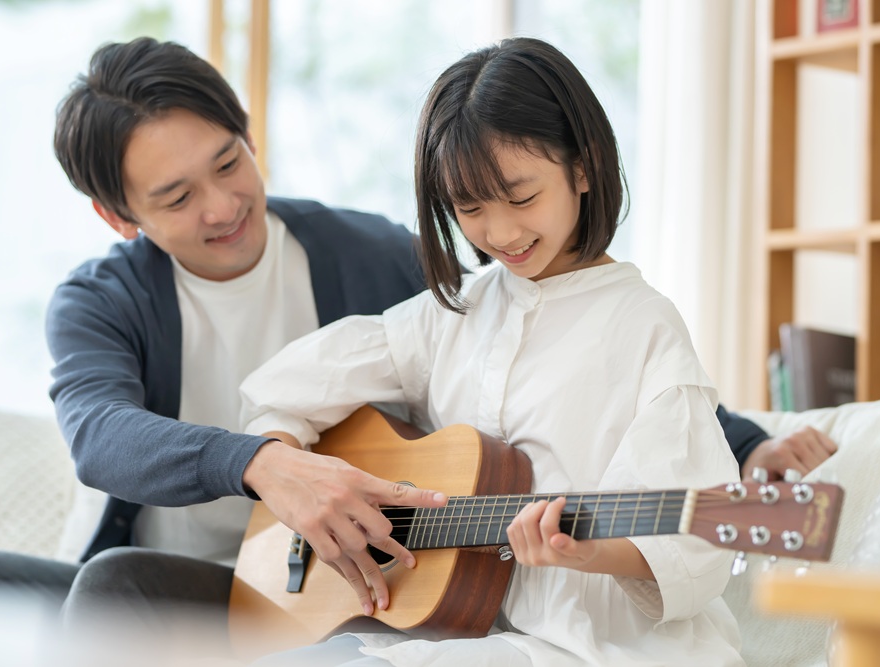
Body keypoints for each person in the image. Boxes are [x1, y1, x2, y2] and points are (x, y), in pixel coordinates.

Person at [239, 37, 745, 667]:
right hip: (460, 636)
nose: (500, 233)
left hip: (593, 646)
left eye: (523, 197)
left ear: (583, 167)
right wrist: (300, 482)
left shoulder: (643, 325)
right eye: (470, 208)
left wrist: (586, 551)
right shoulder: (451, 314)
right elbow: (283, 389)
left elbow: (698, 543)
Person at [0, 35, 448, 630]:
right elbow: (100, 433)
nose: (222, 207)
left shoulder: (379, 255)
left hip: (337, 584)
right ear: (118, 216)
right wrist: (259, 463)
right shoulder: (100, 300)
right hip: (174, 585)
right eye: (178, 197)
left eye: (229, 163)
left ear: (250, 137)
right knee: (80, 584)